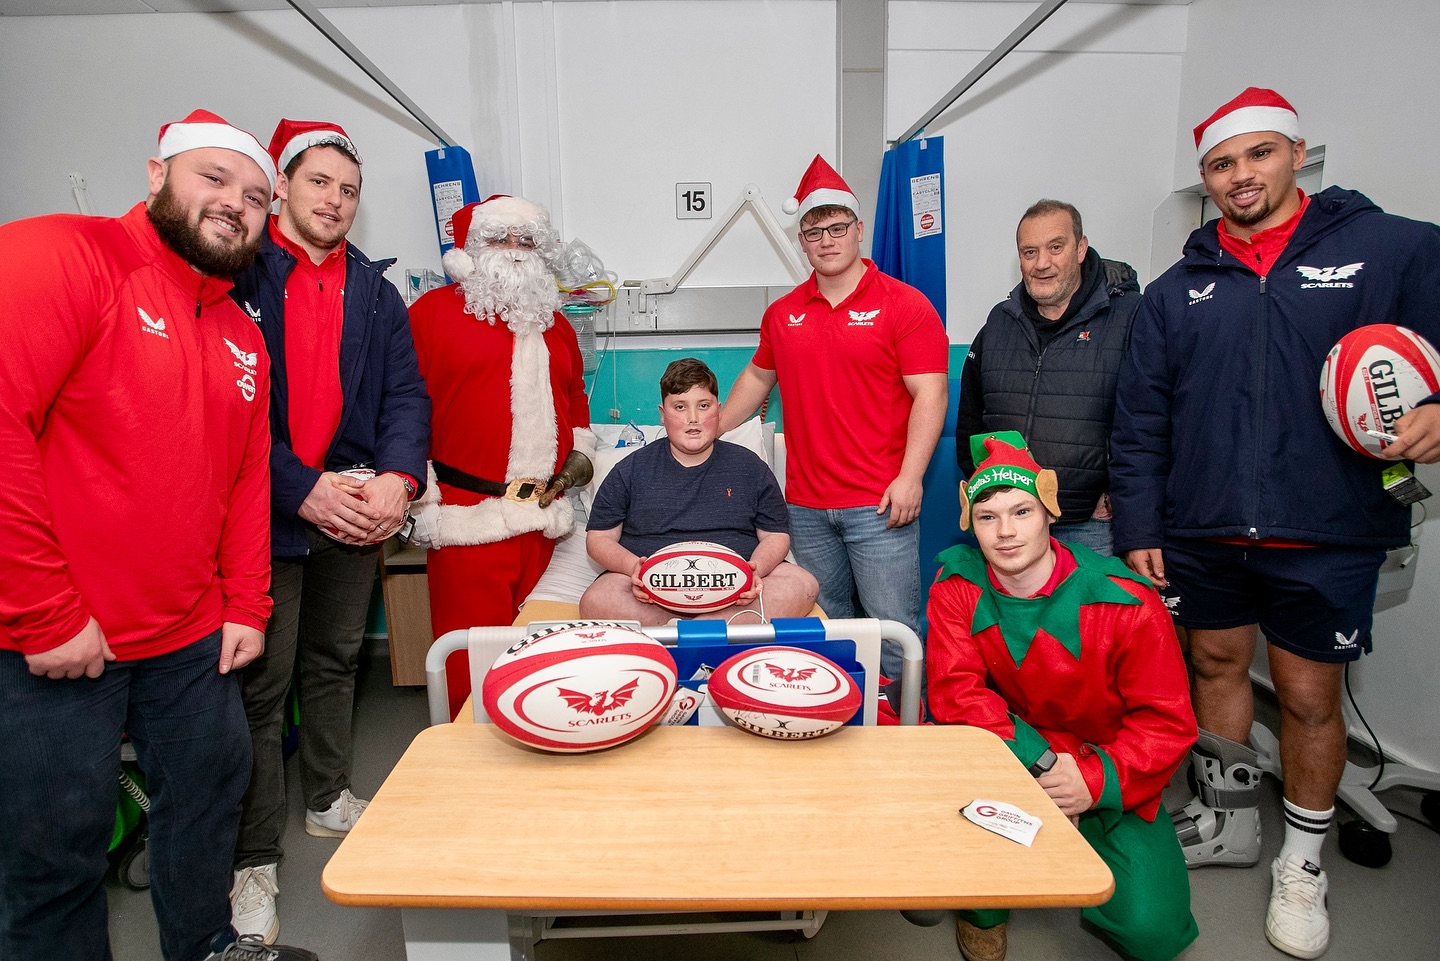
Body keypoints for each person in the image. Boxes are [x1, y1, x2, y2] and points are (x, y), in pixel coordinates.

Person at [1110, 87, 1440, 959]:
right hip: (1205, 527)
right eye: (1222, 163)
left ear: (1297, 154)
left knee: (1306, 696)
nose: (1241, 175)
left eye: (1259, 153)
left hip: (1325, 526)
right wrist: (1141, 524)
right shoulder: (1176, 292)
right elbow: (1142, 421)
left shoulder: (1391, 249)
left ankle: (1302, 859)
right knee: (1214, 664)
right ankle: (1228, 820)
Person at [0, 110, 316, 961]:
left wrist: (246, 602)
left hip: (188, 633)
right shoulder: (65, 258)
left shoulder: (240, 334)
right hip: (60, 639)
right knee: (53, 849)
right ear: (155, 174)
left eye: (255, 196)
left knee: (208, 799)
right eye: (213, 178)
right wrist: (44, 610)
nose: (235, 203)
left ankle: (208, 943)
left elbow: (245, 479)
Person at [227, 119, 431, 944]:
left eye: (349, 189)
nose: (335, 200)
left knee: (335, 661)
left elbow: (406, 396)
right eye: (319, 182)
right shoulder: (240, 276)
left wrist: (398, 478)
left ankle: (326, 797)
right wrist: (298, 488)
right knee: (261, 686)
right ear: (281, 186)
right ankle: (251, 859)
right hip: (264, 511)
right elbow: (228, 410)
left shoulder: (376, 294)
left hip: (351, 509)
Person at [927, 433, 1198, 961]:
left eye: (1021, 512)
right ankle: (983, 908)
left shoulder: (1127, 602)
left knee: (1154, 933)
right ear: (970, 524)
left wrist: (1090, 783)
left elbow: (1166, 724)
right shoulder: (955, 586)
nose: (1006, 532)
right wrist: (1043, 765)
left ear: (1049, 512)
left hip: (1108, 760)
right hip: (1007, 753)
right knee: (955, 799)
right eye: (987, 517)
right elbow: (958, 695)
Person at [721, 155, 949, 680]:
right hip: (804, 507)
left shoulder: (905, 306)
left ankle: (902, 724)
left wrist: (910, 477)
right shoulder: (783, 314)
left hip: (880, 504)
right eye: (813, 232)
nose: (826, 240)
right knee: (827, 632)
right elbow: (757, 377)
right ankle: (839, 717)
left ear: (859, 229)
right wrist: (710, 428)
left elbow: (931, 394)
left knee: (893, 633)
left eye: (837, 228)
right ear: (801, 242)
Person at [407, 194, 594, 657]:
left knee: (542, 661)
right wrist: (420, 497)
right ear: (470, 249)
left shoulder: (556, 325)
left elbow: (574, 399)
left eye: (526, 241)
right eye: (499, 239)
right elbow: (403, 409)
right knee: (469, 665)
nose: (514, 250)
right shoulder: (430, 314)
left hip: (546, 525)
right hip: (466, 523)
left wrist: (580, 454)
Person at [956, 200, 1141, 557]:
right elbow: (970, 420)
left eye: (1055, 247)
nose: (1042, 263)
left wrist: (1122, 492)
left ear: (1081, 249)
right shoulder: (999, 322)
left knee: (1091, 599)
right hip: (1010, 524)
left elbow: (1151, 418)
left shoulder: (1130, 317)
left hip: (1091, 526)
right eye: (1030, 252)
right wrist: (988, 491)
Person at [580, 358, 819, 625]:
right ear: (662, 414)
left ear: (718, 410)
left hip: (737, 586)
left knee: (802, 583)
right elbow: (599, 539)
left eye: (703, 406)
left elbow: (775, 535)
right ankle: (710, 627)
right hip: (651, 590)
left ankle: (695, 627)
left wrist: (755, 570)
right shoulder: (630, 470)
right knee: (597, 599)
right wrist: (634, 568)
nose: (692, 418)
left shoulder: (750, 467)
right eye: (680, 407)